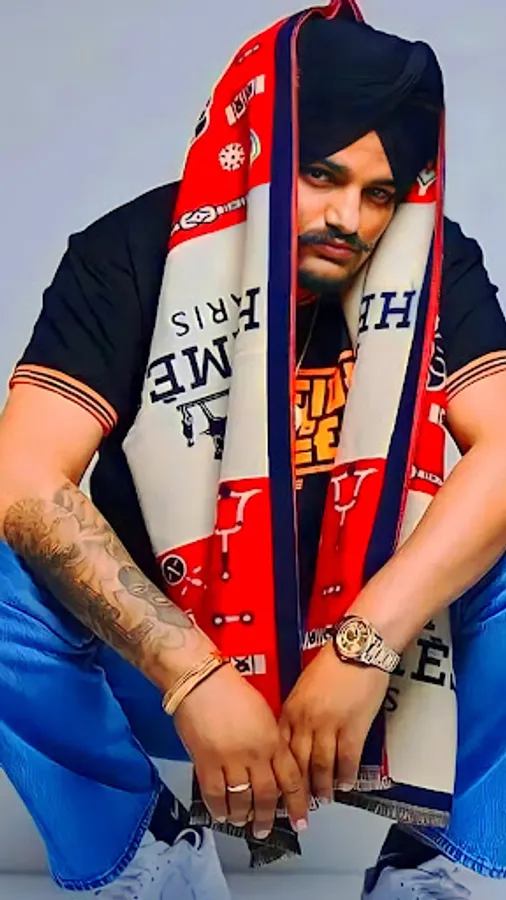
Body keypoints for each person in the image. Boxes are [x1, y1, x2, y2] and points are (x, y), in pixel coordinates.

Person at [1, 4, 506, 898]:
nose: (349, 219)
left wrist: (365, 642)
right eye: (321, 174)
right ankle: (145, 860)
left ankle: (441, 868)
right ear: (258, 150)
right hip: (165, 666)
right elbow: (23, 478)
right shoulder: (131, 253)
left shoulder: (434, 263)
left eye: (380, 193)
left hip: (373, 661)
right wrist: (193, 674)